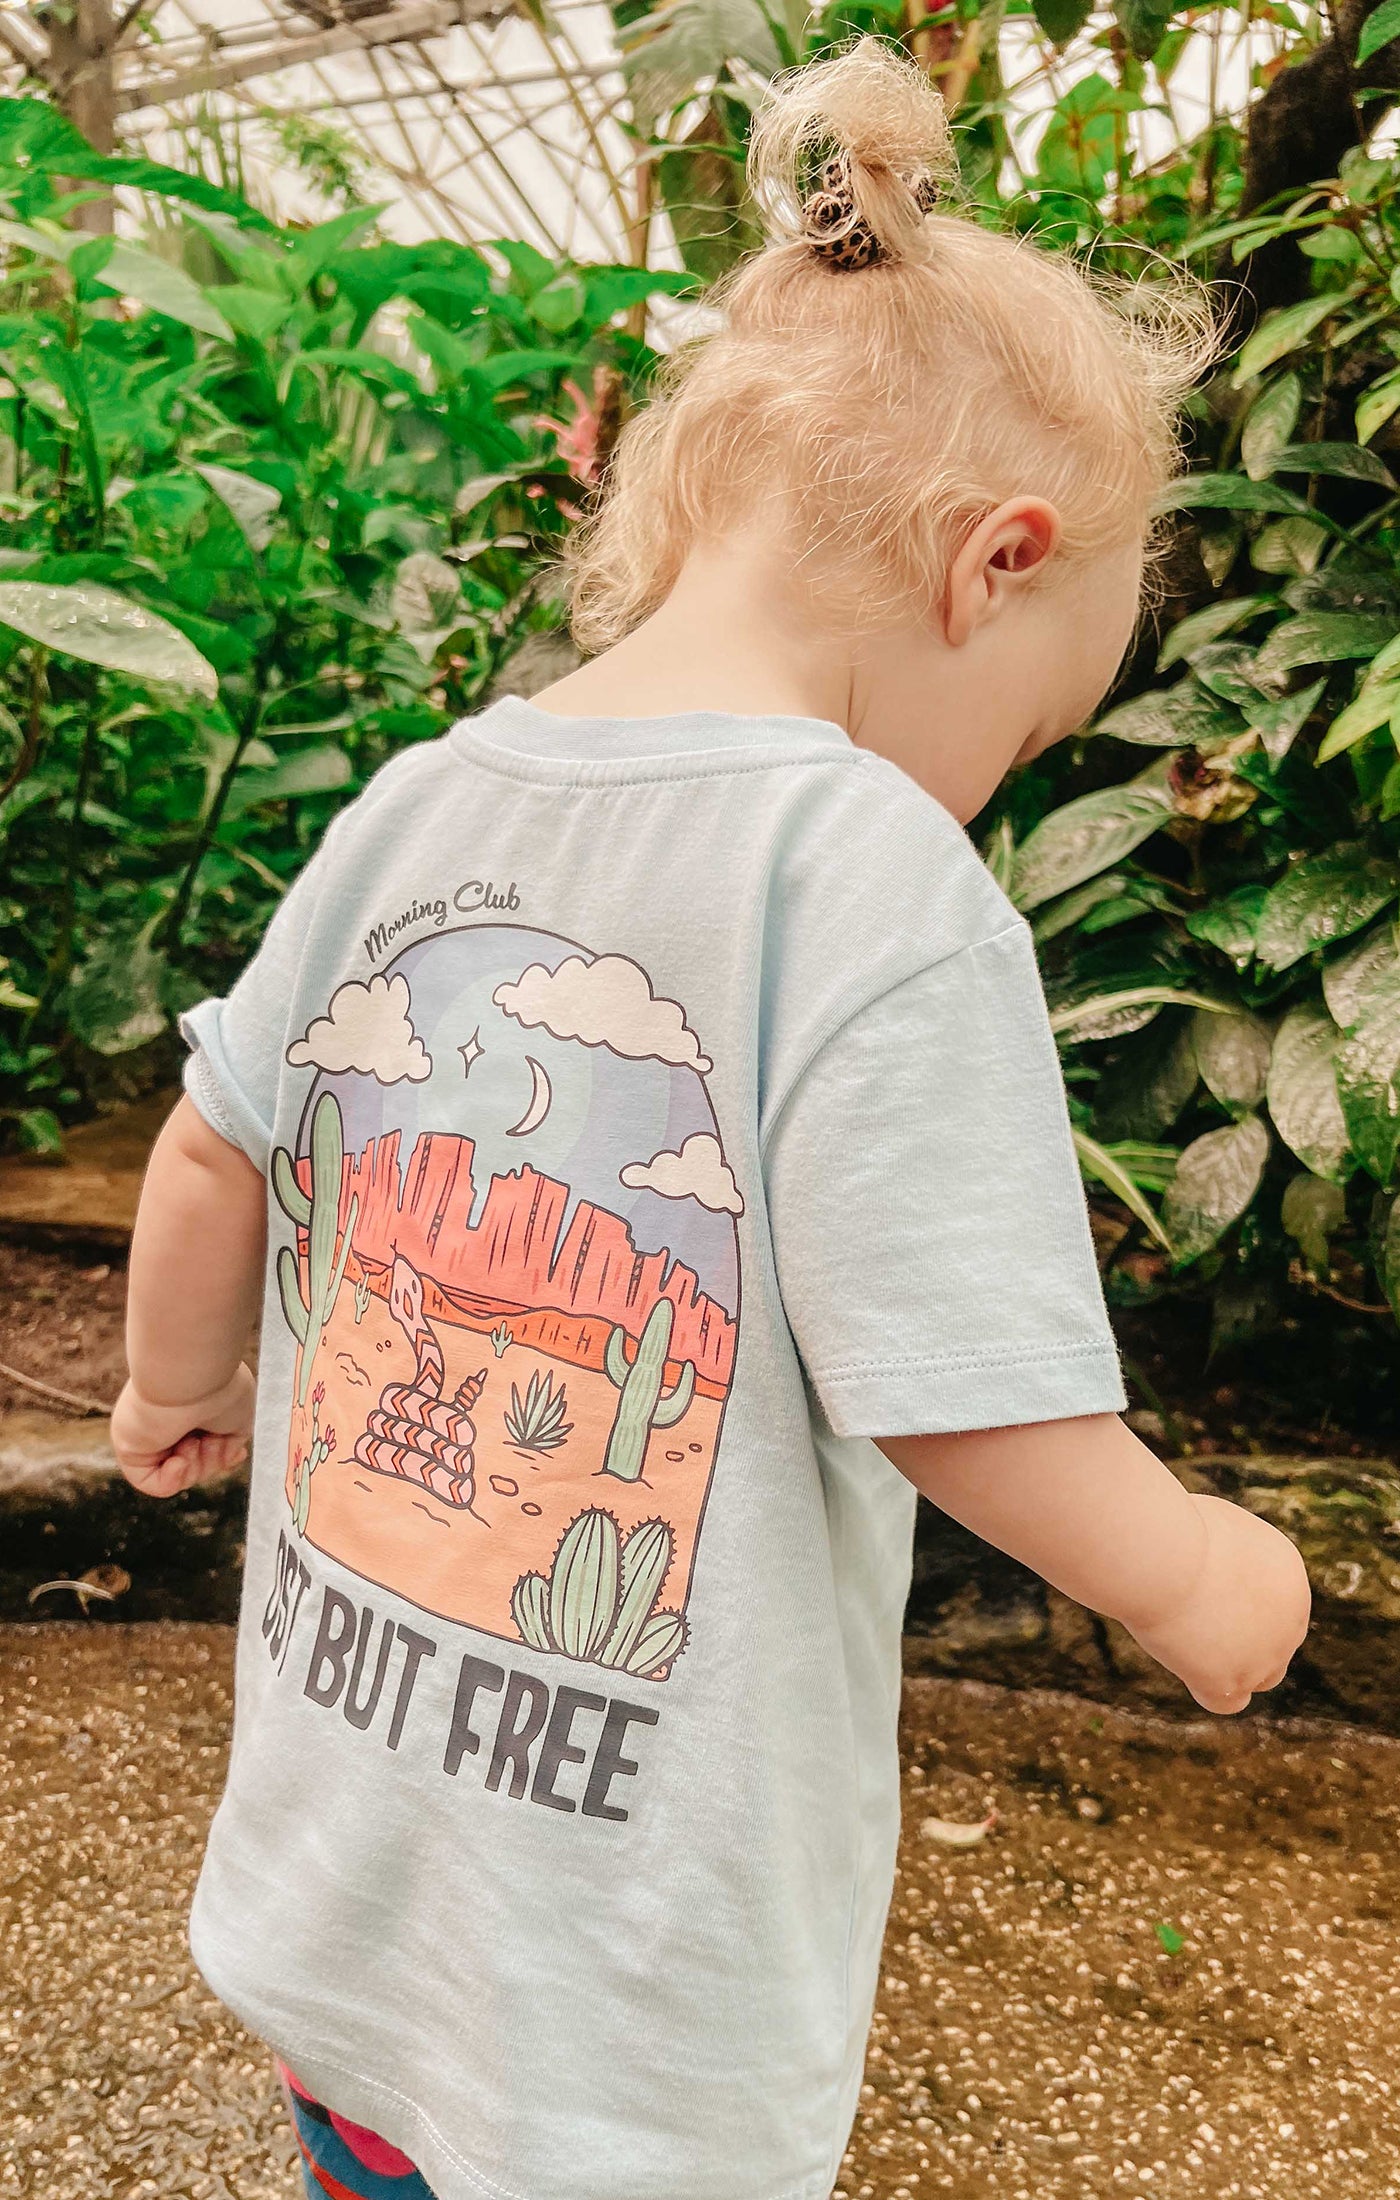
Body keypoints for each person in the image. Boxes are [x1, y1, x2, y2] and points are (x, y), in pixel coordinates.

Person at [111, 37, 1310, 2200]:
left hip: (346, 1922)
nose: (996, 783)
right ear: (993, 563)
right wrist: (1203, 1579)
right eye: (1033, 730)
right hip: (616, 2017)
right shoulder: (870, 879)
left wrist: (176, 1388)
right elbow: (962, 1394)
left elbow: (213, 1144)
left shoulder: (421, 796)